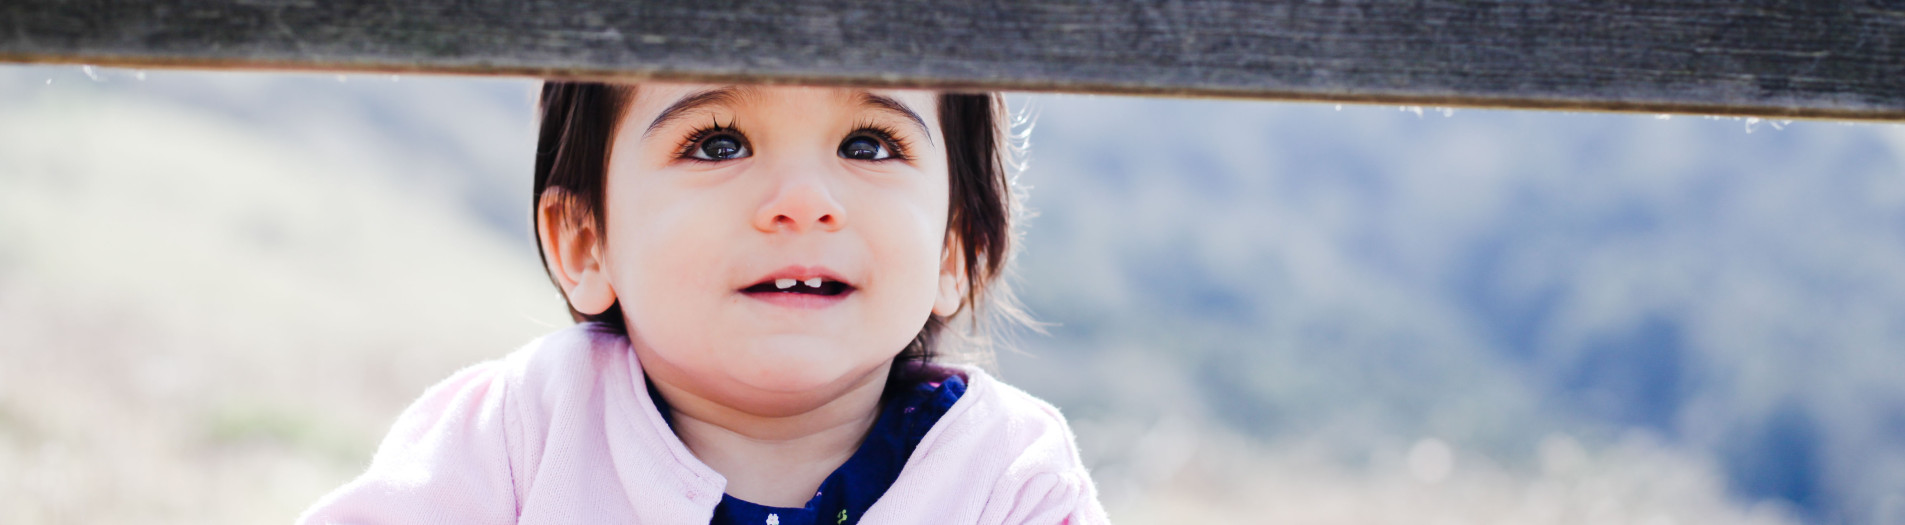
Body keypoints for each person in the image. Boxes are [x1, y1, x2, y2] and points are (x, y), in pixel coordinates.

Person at [297, 81, 1108, 524]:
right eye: (718, 143)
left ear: (955, 247)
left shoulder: (1009, 480)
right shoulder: (521, 434)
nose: (802, 199)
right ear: (585, 241)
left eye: (869, 144)